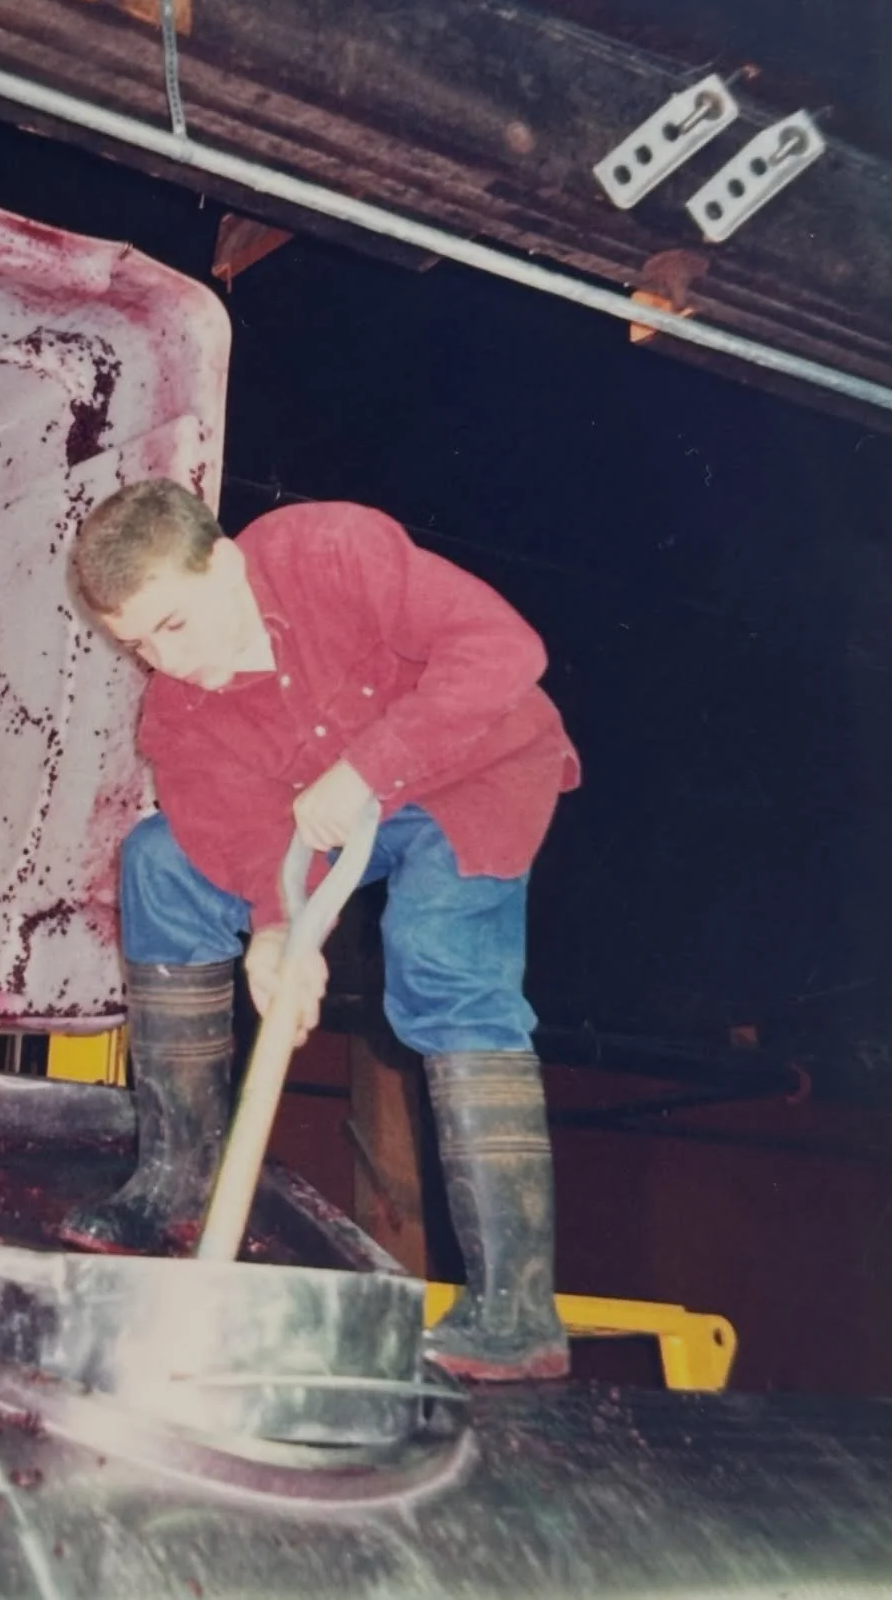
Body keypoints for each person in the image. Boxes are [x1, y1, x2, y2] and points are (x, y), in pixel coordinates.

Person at [63, 478, 581, 1381]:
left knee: (439, 956)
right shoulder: (179, 715)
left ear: (224, 563)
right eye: (135, 644)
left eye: (174, 625)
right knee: (158, 858)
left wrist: (366, 767)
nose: (164, 661)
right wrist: (276, 931)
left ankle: (516, 1308)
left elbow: (505, 647)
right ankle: (176, 1178)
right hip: (327, 817)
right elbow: (240, 838)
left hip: (472, 768)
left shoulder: (329, 552)